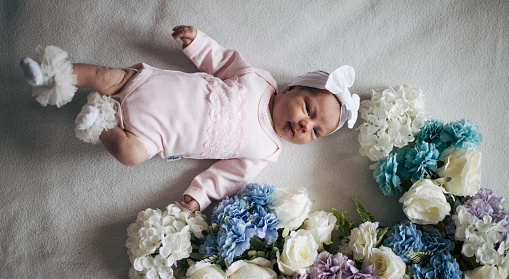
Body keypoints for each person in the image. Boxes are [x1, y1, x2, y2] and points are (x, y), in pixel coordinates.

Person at [20, 25, 360, 212]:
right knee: (106, 75)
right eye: (308, 110)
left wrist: (199, 195)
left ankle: (100, 121)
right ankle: (53, 72)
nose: (304, 126)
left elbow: (227, 176)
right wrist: (197, 44)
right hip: (153, 87)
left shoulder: (268, 149)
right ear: (291, 88)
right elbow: (223, 62)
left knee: (130, 155)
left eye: (315, 132)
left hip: (154, 135)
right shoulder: (260, 80)